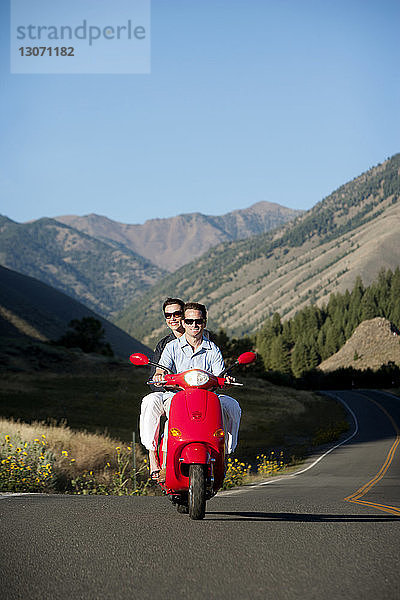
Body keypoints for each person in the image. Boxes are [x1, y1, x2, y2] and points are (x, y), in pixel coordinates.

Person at [151, 301, 242, 482]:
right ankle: (159, 460)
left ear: (205, 323)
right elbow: (161, 369)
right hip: (177, 396)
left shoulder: (213, 349)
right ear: (183, 323)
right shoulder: (171, 347)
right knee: (160, 412)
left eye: (198, 321)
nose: (194, 325)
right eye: (190, 321)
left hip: (206, 397)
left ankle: (225, 453)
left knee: (233, 406)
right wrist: (159, 375)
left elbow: (219, 374)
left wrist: (226, 380)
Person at [139, 298, 185, 478]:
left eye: (177, 314)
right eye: (168, 315)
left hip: (194, 394)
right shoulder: (164, 344)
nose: (173, 318)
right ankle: (152, 455)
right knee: (149, 402)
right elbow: (154, 375)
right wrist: (159, 380)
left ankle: (222, 456)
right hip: (169, 393)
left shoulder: (203, 340)